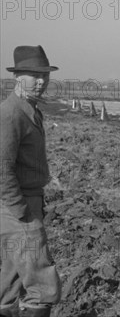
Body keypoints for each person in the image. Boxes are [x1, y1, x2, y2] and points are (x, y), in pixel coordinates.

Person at [0, 46, 61, 317]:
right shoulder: (11, 113)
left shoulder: (30, 110)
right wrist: (20, 209)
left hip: (24, 202)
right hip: (18, 206)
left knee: (11, 279)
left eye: (44, 75)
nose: (41, 81)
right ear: (17, 77)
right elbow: (2, 167)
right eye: (33, 75)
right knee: (41, 284)